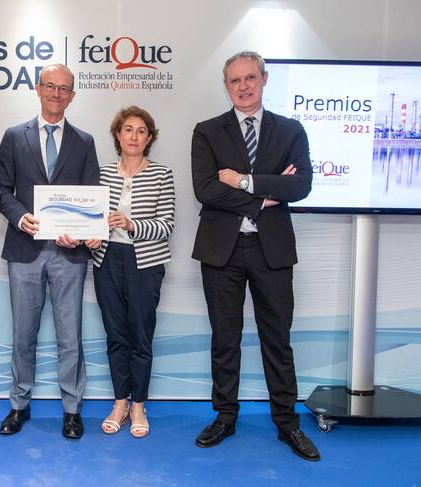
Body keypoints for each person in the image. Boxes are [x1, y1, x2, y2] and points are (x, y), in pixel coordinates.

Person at [190, 50, 320, 461]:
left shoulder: (291, 130)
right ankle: (225, 417)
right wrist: (265, 196)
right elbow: (206, 189)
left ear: (264, 79)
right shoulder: (207, 131)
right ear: (226, 86)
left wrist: (244, 181)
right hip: (221, 251)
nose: (243, 86)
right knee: (224, 339)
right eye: (235, 80)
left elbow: (300, 186)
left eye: (250, 78)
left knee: (277, 340)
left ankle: (287, 423)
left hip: (272, 250)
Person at [0, 64, 99, 439]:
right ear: (38, 89)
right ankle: (18, 405)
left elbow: (90, 194)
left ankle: (72, 410)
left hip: (69, 254)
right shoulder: (14, 136)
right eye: (51, 86)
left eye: (64, 89)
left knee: (70, 337)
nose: (57, 93)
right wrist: (19, 216)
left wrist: (81, 232)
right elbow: (0, 190)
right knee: (22, 335)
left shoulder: (84, 141)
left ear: (72, 96)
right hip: (24, 248)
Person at [85, 106, 175, 438]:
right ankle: (120, 403)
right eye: (128, 130)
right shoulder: (101, 174)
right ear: (117, 135)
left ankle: (139, 405)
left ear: (149, 138)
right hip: (106, 260)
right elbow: (91, 221)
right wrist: (91, 236)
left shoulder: (162, 174)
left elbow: (166, 225)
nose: (134, 136)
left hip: (145, 264)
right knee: (115, 337)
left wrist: (131, 223)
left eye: (141, 131)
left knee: (140, 336)